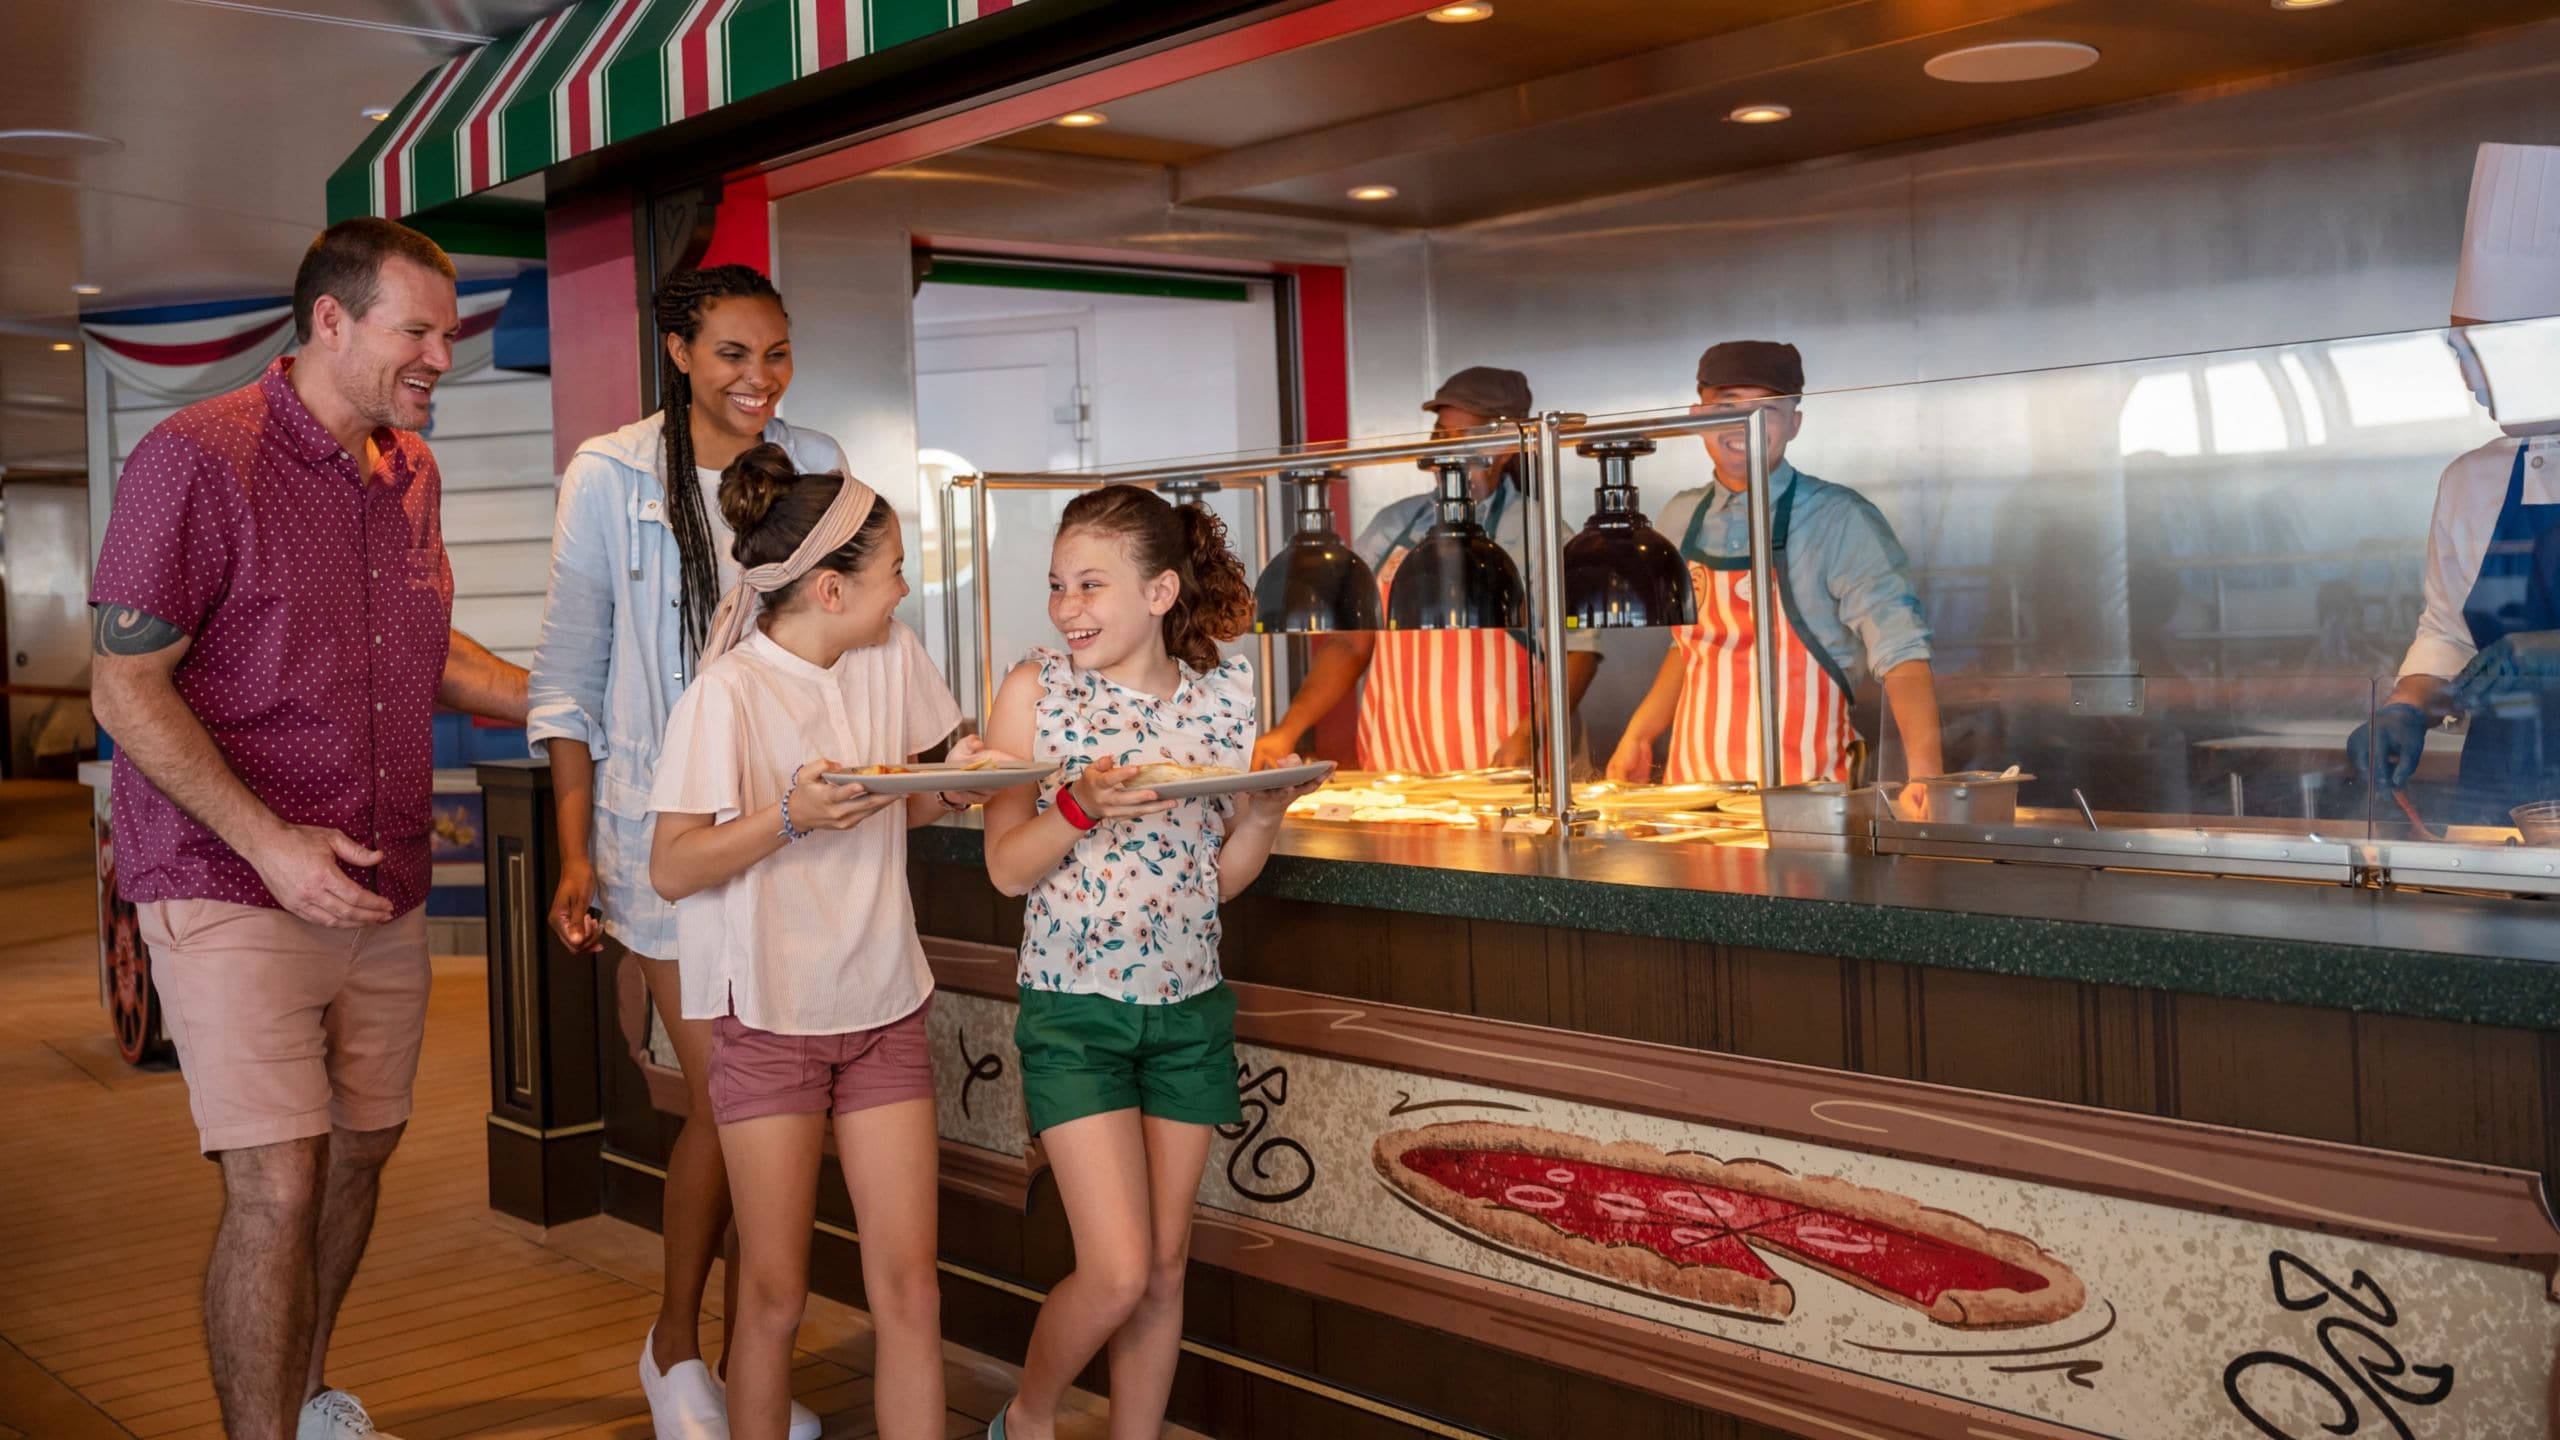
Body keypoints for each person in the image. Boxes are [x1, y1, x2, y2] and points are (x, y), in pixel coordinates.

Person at [85, 218, 528, 1440]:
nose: (443, 352)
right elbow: (123, 683)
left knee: (359, 1153)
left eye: (450, 330)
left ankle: (307, 1395)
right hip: (230, 877)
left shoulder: (409, 473)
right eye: (419, 330)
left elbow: (427, 656)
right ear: (331, 321)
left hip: (376, 884)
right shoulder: (195, 456)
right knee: (277, 1181)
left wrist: (575, 699)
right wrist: (270, 839)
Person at [526, 264, 843, 1440]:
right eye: (731, 355)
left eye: (775, 353)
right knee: (732, 1105)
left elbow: (844, 629)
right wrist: (571, 858)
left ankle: (732, 1367)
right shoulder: (610, 475)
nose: (758, 380)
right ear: (678, 351)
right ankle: (678, 1349)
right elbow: (566, 679)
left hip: (790, 827)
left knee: (757, 1110)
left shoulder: (812, 456)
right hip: (658, 838)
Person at [647, 444, 996, 1440]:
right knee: (772, 1296)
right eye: (893, 572)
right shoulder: (728, 694)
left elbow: (912, 803)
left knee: (911, 1294)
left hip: (884, 1000)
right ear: (833, 587)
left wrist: (961, 778)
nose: (907, 588)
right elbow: (673, 867)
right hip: (770, 1016)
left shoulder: (893, 655)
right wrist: (790, 816)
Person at [980, 487, 1328, 1440]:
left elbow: (1210, 884)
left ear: (1163, 590)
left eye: (1091, 585)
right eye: (1058, 586)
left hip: (1188, 1010)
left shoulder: (1225, 700)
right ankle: (1029, 1416)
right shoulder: (1034, 691)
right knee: (1119, 1268)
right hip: (1074, 1012)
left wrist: (1262, 816)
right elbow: (1007, 869)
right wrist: (1080, 804)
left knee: (1166, 1270)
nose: (1066, 608)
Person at [1607, 341, 1943, 787]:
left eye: (1766, 410)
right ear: (1697, 417)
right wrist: (1640, 733)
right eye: (1726, 407)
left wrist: (1927, 779)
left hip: (1809, 802)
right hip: (1690, 802)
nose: (1743, 424)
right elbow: (1688, 649)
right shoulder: (1678, 517)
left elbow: (1902, 655)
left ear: (1794, 424)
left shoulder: (1841, 519)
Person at [2350, 141, 2560, 827]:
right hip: (2502, 795)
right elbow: (2447, 630)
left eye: (2485, 351)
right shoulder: (2471, 481)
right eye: (2460, 351)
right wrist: (2409, 704)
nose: (2469, 378)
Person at [1251, 366, 1601, 774]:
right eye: (1440, 435)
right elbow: (1350, 645)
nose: (1445, 452)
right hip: (1397, 769)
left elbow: (1578, 653)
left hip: (1506, 770)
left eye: (1461, 437)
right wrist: (1287, 730)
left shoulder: (1539, 533)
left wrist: (1527, 736)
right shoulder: (1395, 526)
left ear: (1507, 446)